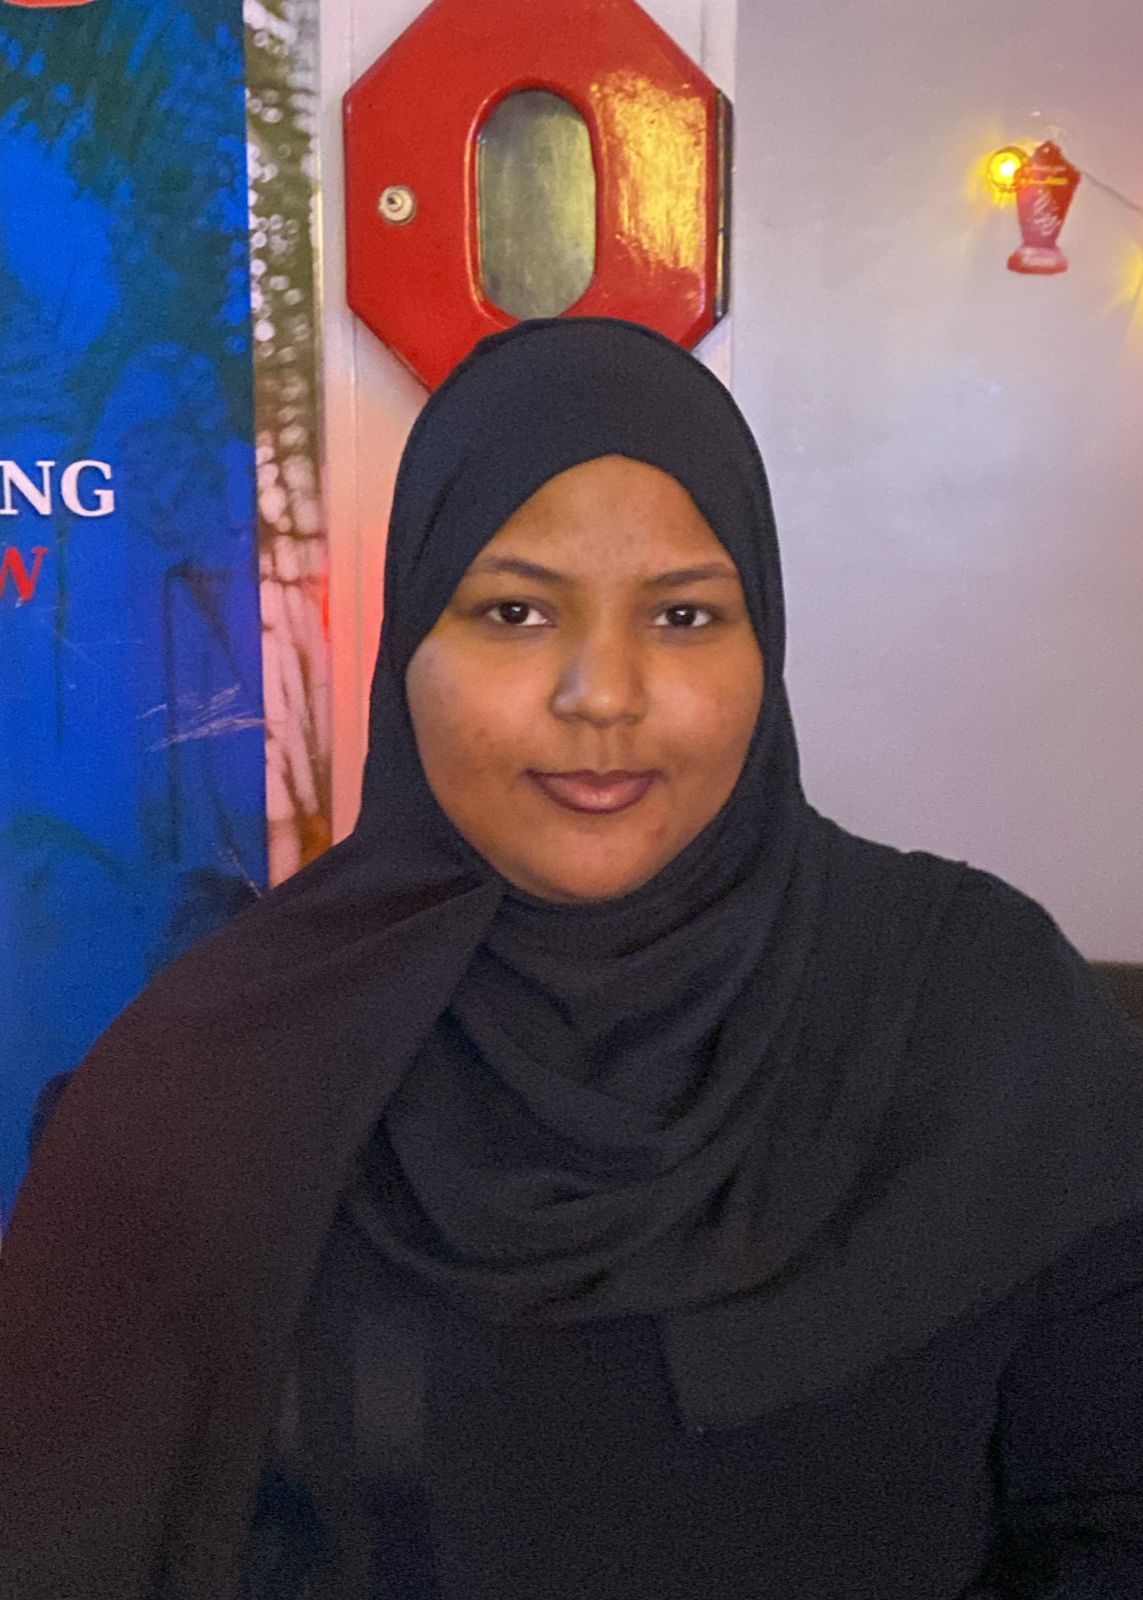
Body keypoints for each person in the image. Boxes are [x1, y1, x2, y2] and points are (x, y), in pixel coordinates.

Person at [2, 317, 1143, 1600]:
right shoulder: (216, 1078)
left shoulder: (981, 1010)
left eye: (684, 614)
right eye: (515, 610)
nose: (603, 692)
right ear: (408, 646)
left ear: (764, 646)